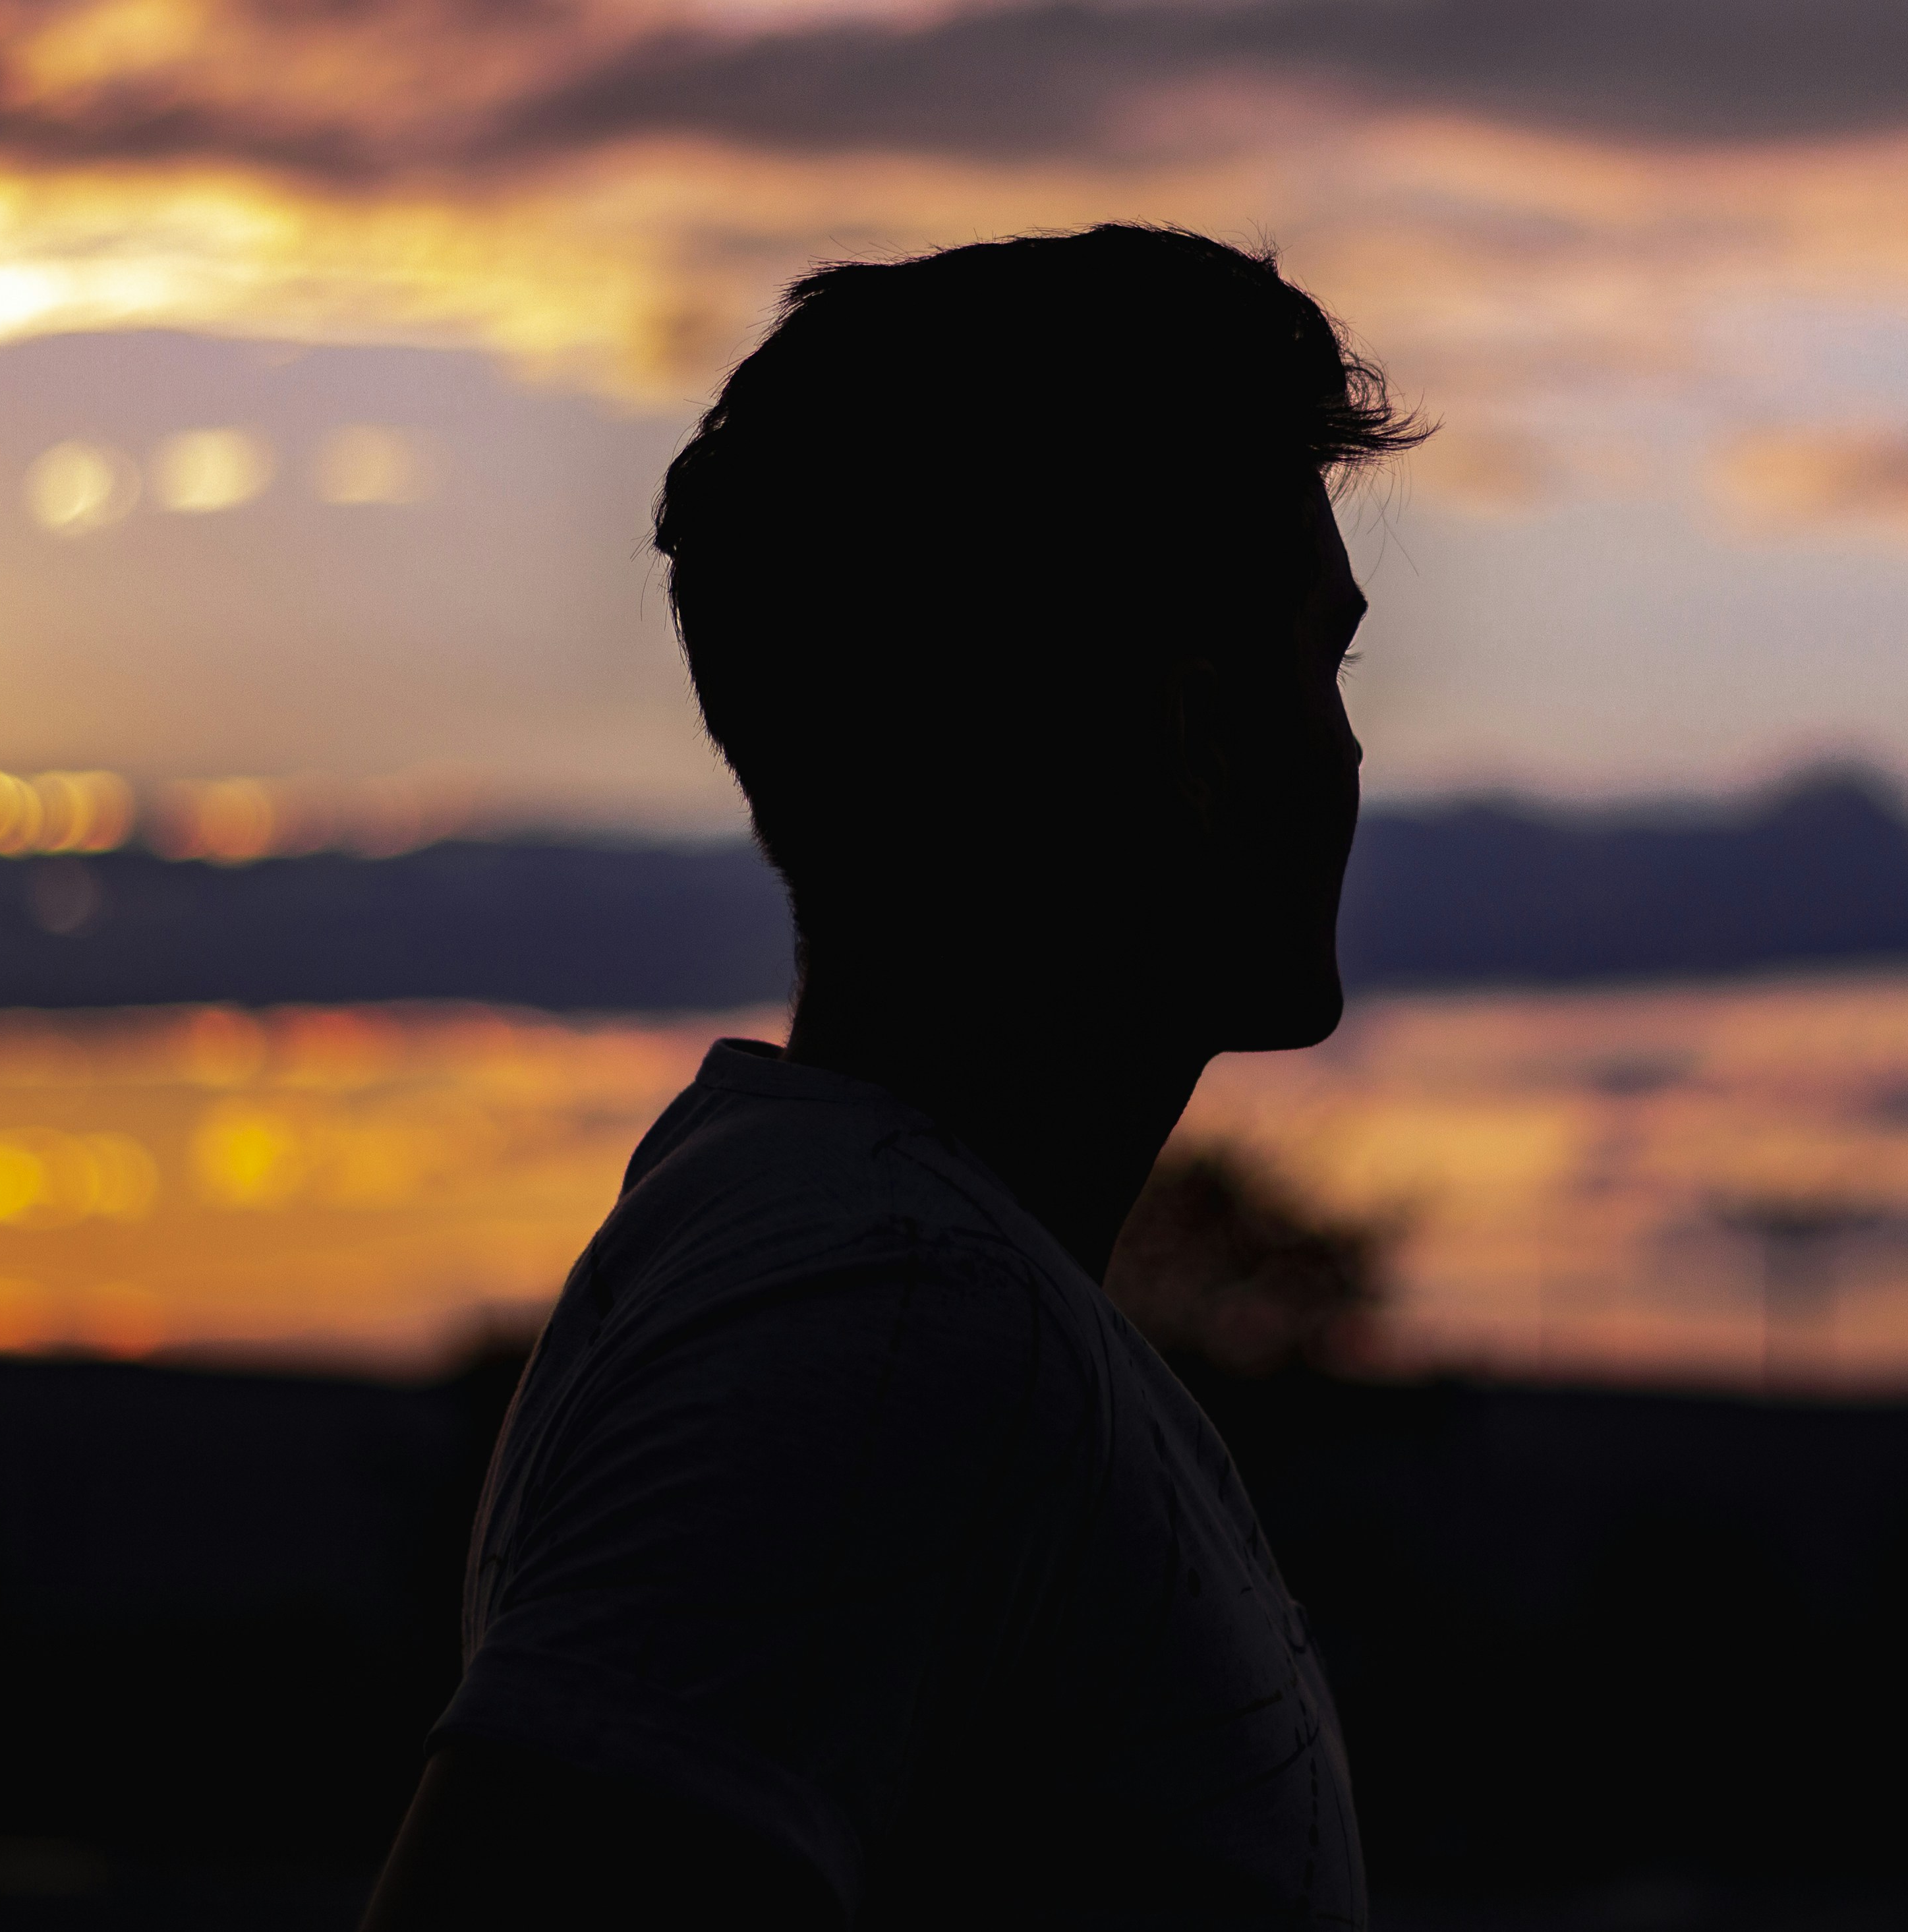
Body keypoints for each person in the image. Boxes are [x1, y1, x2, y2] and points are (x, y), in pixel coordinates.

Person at [361, 224, 1424, 1931]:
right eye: (1324, 653)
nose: (1348, 743)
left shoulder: (880, 1285)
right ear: (1195, 727)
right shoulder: (883, 1321)